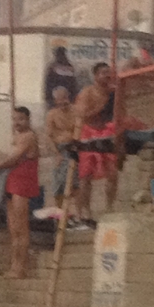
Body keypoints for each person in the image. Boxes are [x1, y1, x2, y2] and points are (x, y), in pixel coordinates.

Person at [0, 107, 40, 279]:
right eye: (14, 119)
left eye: (20, 119)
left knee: (21, 227)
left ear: (28, 119)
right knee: (13, 229)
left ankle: (20, 268)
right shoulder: (17, 137)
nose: (17, 123)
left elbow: (13, 159)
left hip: (22, 183)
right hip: (11, 182)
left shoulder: (29, 137)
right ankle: (14, 266)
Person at [73, 62, 118, 222]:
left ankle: (109, 207)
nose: (107, 76)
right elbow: (82, 114)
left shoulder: (114, 91)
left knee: (113, 173)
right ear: (96, 75)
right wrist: (102, 106)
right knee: (85, 177)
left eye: (109, 73)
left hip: (108, 132)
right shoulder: (87, 92)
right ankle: (85, 211)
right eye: (104, 73)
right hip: (89, 134)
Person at [45, 86, 79, 210]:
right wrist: (57, 154)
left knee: (75, 184)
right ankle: (62, 214)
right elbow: (49, 137)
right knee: (58, 184)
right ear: (55, 101)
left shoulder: (76, 111)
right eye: (60, 99)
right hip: (60, 151)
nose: (63, 101)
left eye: (65, 98)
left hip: (75, 149)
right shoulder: (52, 114)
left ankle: (76, 215)